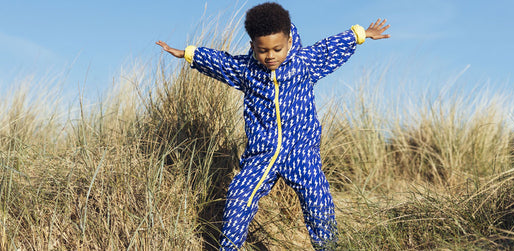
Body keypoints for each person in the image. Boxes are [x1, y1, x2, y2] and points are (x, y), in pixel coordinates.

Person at [156, 2, 390, 250]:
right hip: (262, 154)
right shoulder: (247, 71)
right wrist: (188, 54)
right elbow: (221, 63)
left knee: (317, 197)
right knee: (238, 197)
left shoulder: (304, 63)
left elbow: (329, 47)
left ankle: (329, 246)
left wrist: (360, 34)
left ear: (289, 42)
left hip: (300, 151)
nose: (270, 56)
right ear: (252, 47)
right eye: (263, 50)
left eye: (277, 49)